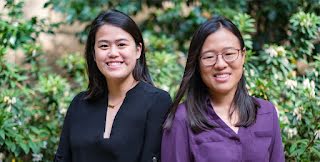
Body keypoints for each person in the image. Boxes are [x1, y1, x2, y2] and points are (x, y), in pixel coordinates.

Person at [161, 16, 285, 162]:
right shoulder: (181, 120)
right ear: (197, 63)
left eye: (229, 54)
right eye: (209, 57)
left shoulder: (266, 112)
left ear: (243, 55)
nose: (220, 64)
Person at [54, 10, 172, 162]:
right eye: (104, 46)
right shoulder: (79, 104)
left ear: (138, 50)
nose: (113, 53)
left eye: (121, 44)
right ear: (94, 54)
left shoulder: (158, 102)